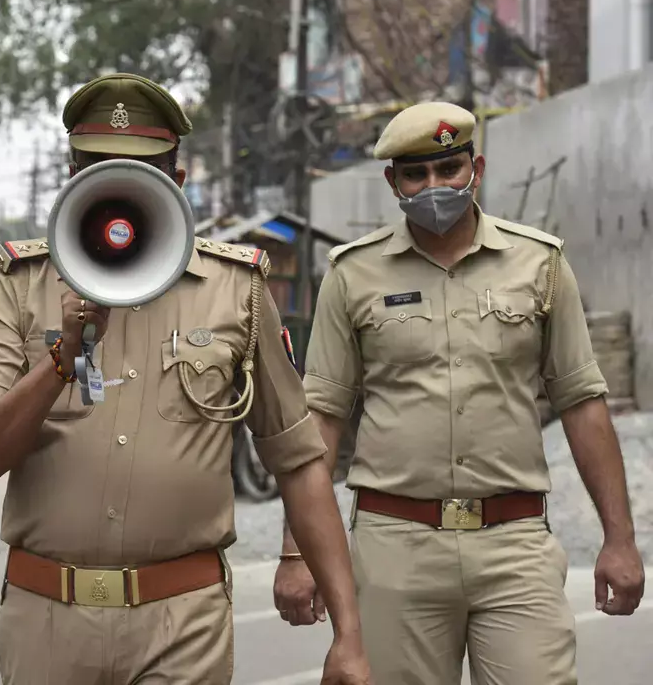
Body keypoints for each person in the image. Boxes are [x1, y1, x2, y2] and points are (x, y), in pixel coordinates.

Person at [0, 73, 371, 685]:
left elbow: (299, 459)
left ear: (176, 181)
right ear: (71, 177)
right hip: (46, 619)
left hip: (182, 623)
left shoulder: (237, 290)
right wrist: (60, 358)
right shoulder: (19, 285)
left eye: (141, 172)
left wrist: (349, 634)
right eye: (98, 169)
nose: (118, 189)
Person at [275, 101, 646, 684]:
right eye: (416, 174)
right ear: (392, 182)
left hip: (514, 543)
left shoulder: (540, 264)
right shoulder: (352, 274)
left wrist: (619, 539)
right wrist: (296, 552)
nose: (434, 186)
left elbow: (581, 402)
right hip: (395, 546)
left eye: (449, 168)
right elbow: (320, 418)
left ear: (477, 168)